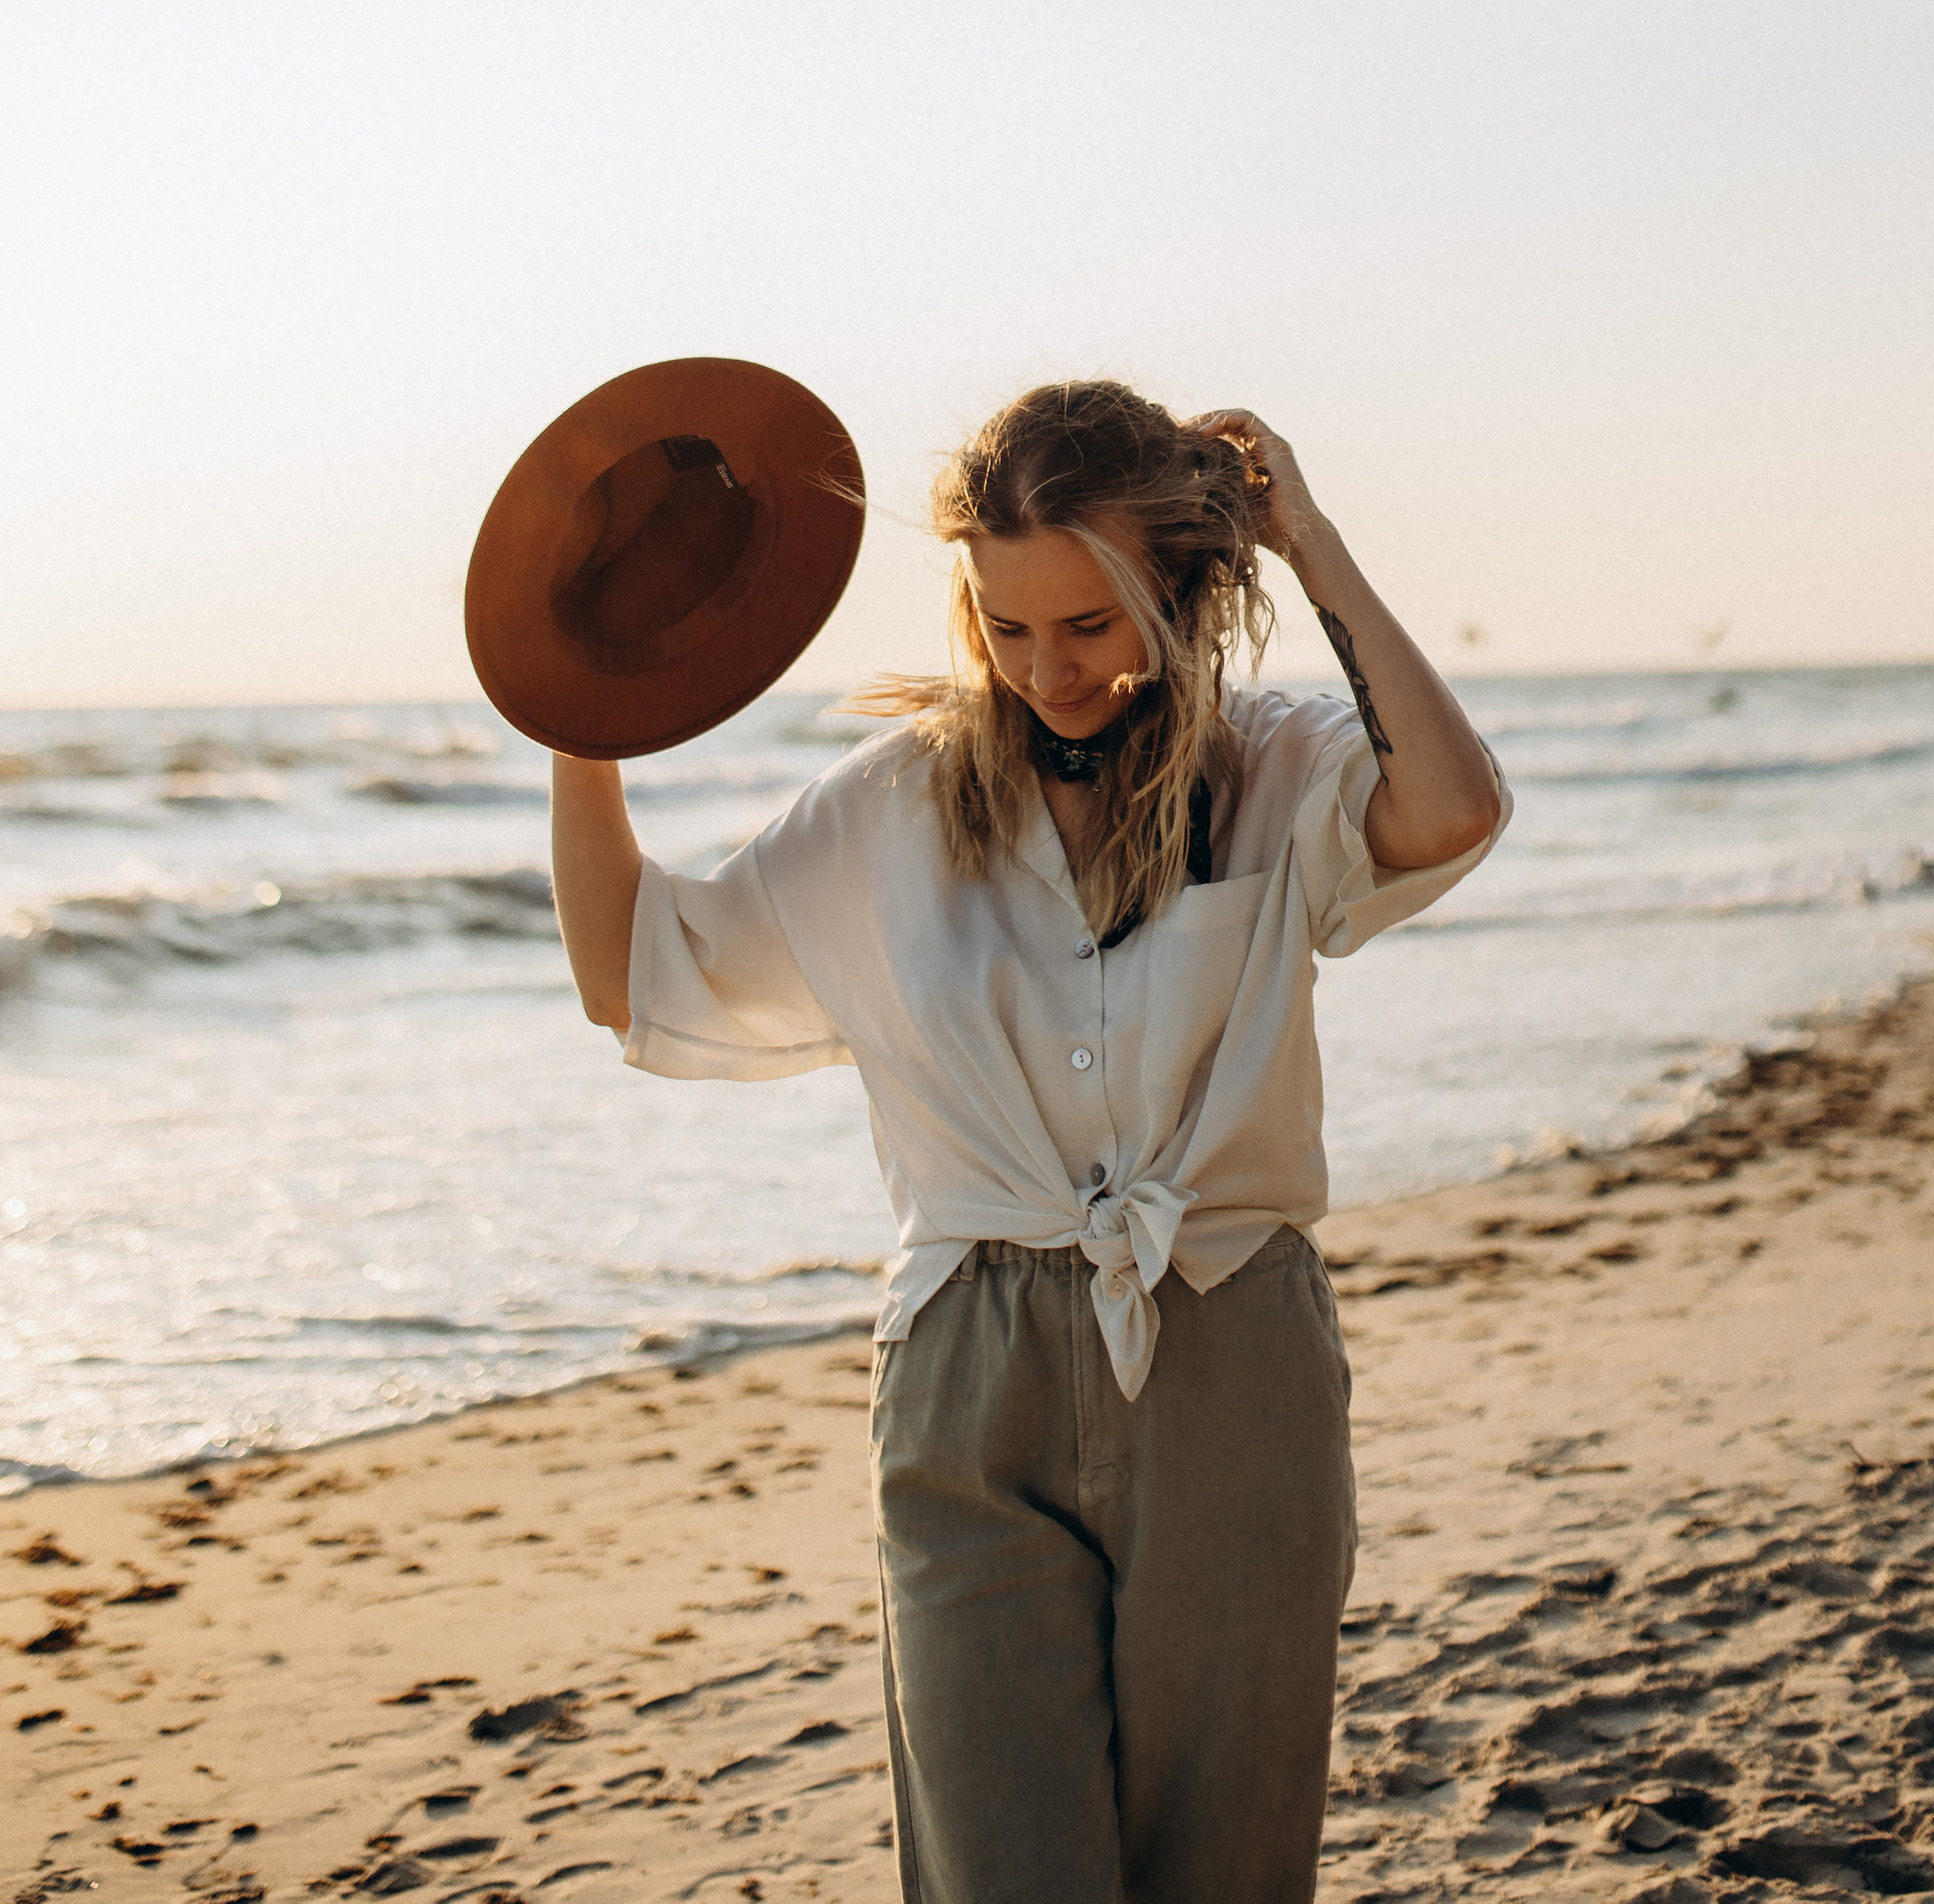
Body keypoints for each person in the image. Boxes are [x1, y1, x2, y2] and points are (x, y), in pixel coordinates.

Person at [549, 379, 1509, 1904]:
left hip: (1229, 1349)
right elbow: (634, 974)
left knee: (1224, 1863)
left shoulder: (1273, 768)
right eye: (1006, 627)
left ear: (1186, 591)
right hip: (967, 1372)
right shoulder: (892, 808)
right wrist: (578, 717)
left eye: (1089, 623)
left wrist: (1311, 542)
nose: (1044, 670)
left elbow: (1452, 807)